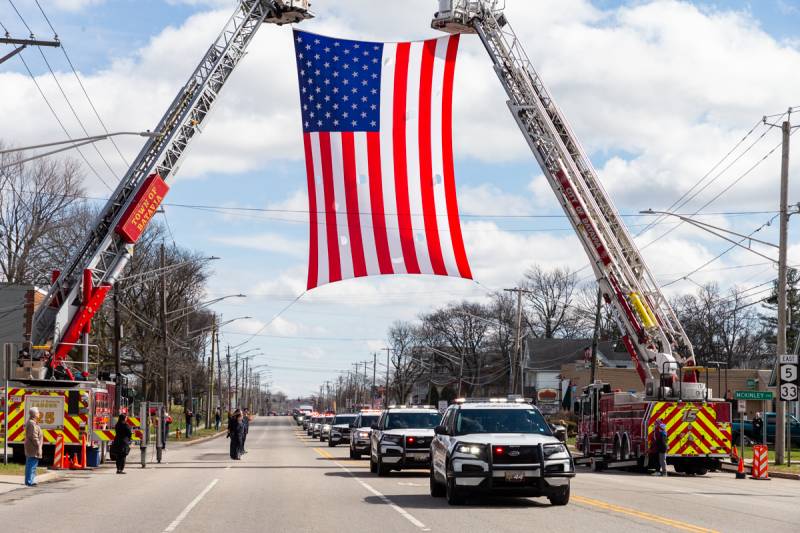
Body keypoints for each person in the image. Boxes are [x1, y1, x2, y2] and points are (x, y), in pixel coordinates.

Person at [24, 407, 43, 487]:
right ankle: (29, 481)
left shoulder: (32, 422)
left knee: (32, 464)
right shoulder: (32, 423)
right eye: (38, 412)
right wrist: (39, 447)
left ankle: (31, 480)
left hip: (32, 446)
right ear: (34, 414)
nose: (39, 414)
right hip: (33, 447)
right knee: (31, 465)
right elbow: (34, 437)